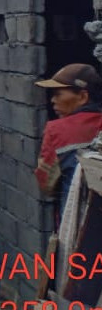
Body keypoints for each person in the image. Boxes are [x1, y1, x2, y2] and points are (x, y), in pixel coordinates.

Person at [34, 63, 102, 218]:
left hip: (77, 226)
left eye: (58, 94)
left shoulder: (56, 130)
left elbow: (47, 185)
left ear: (83, 97)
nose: (52, 100)